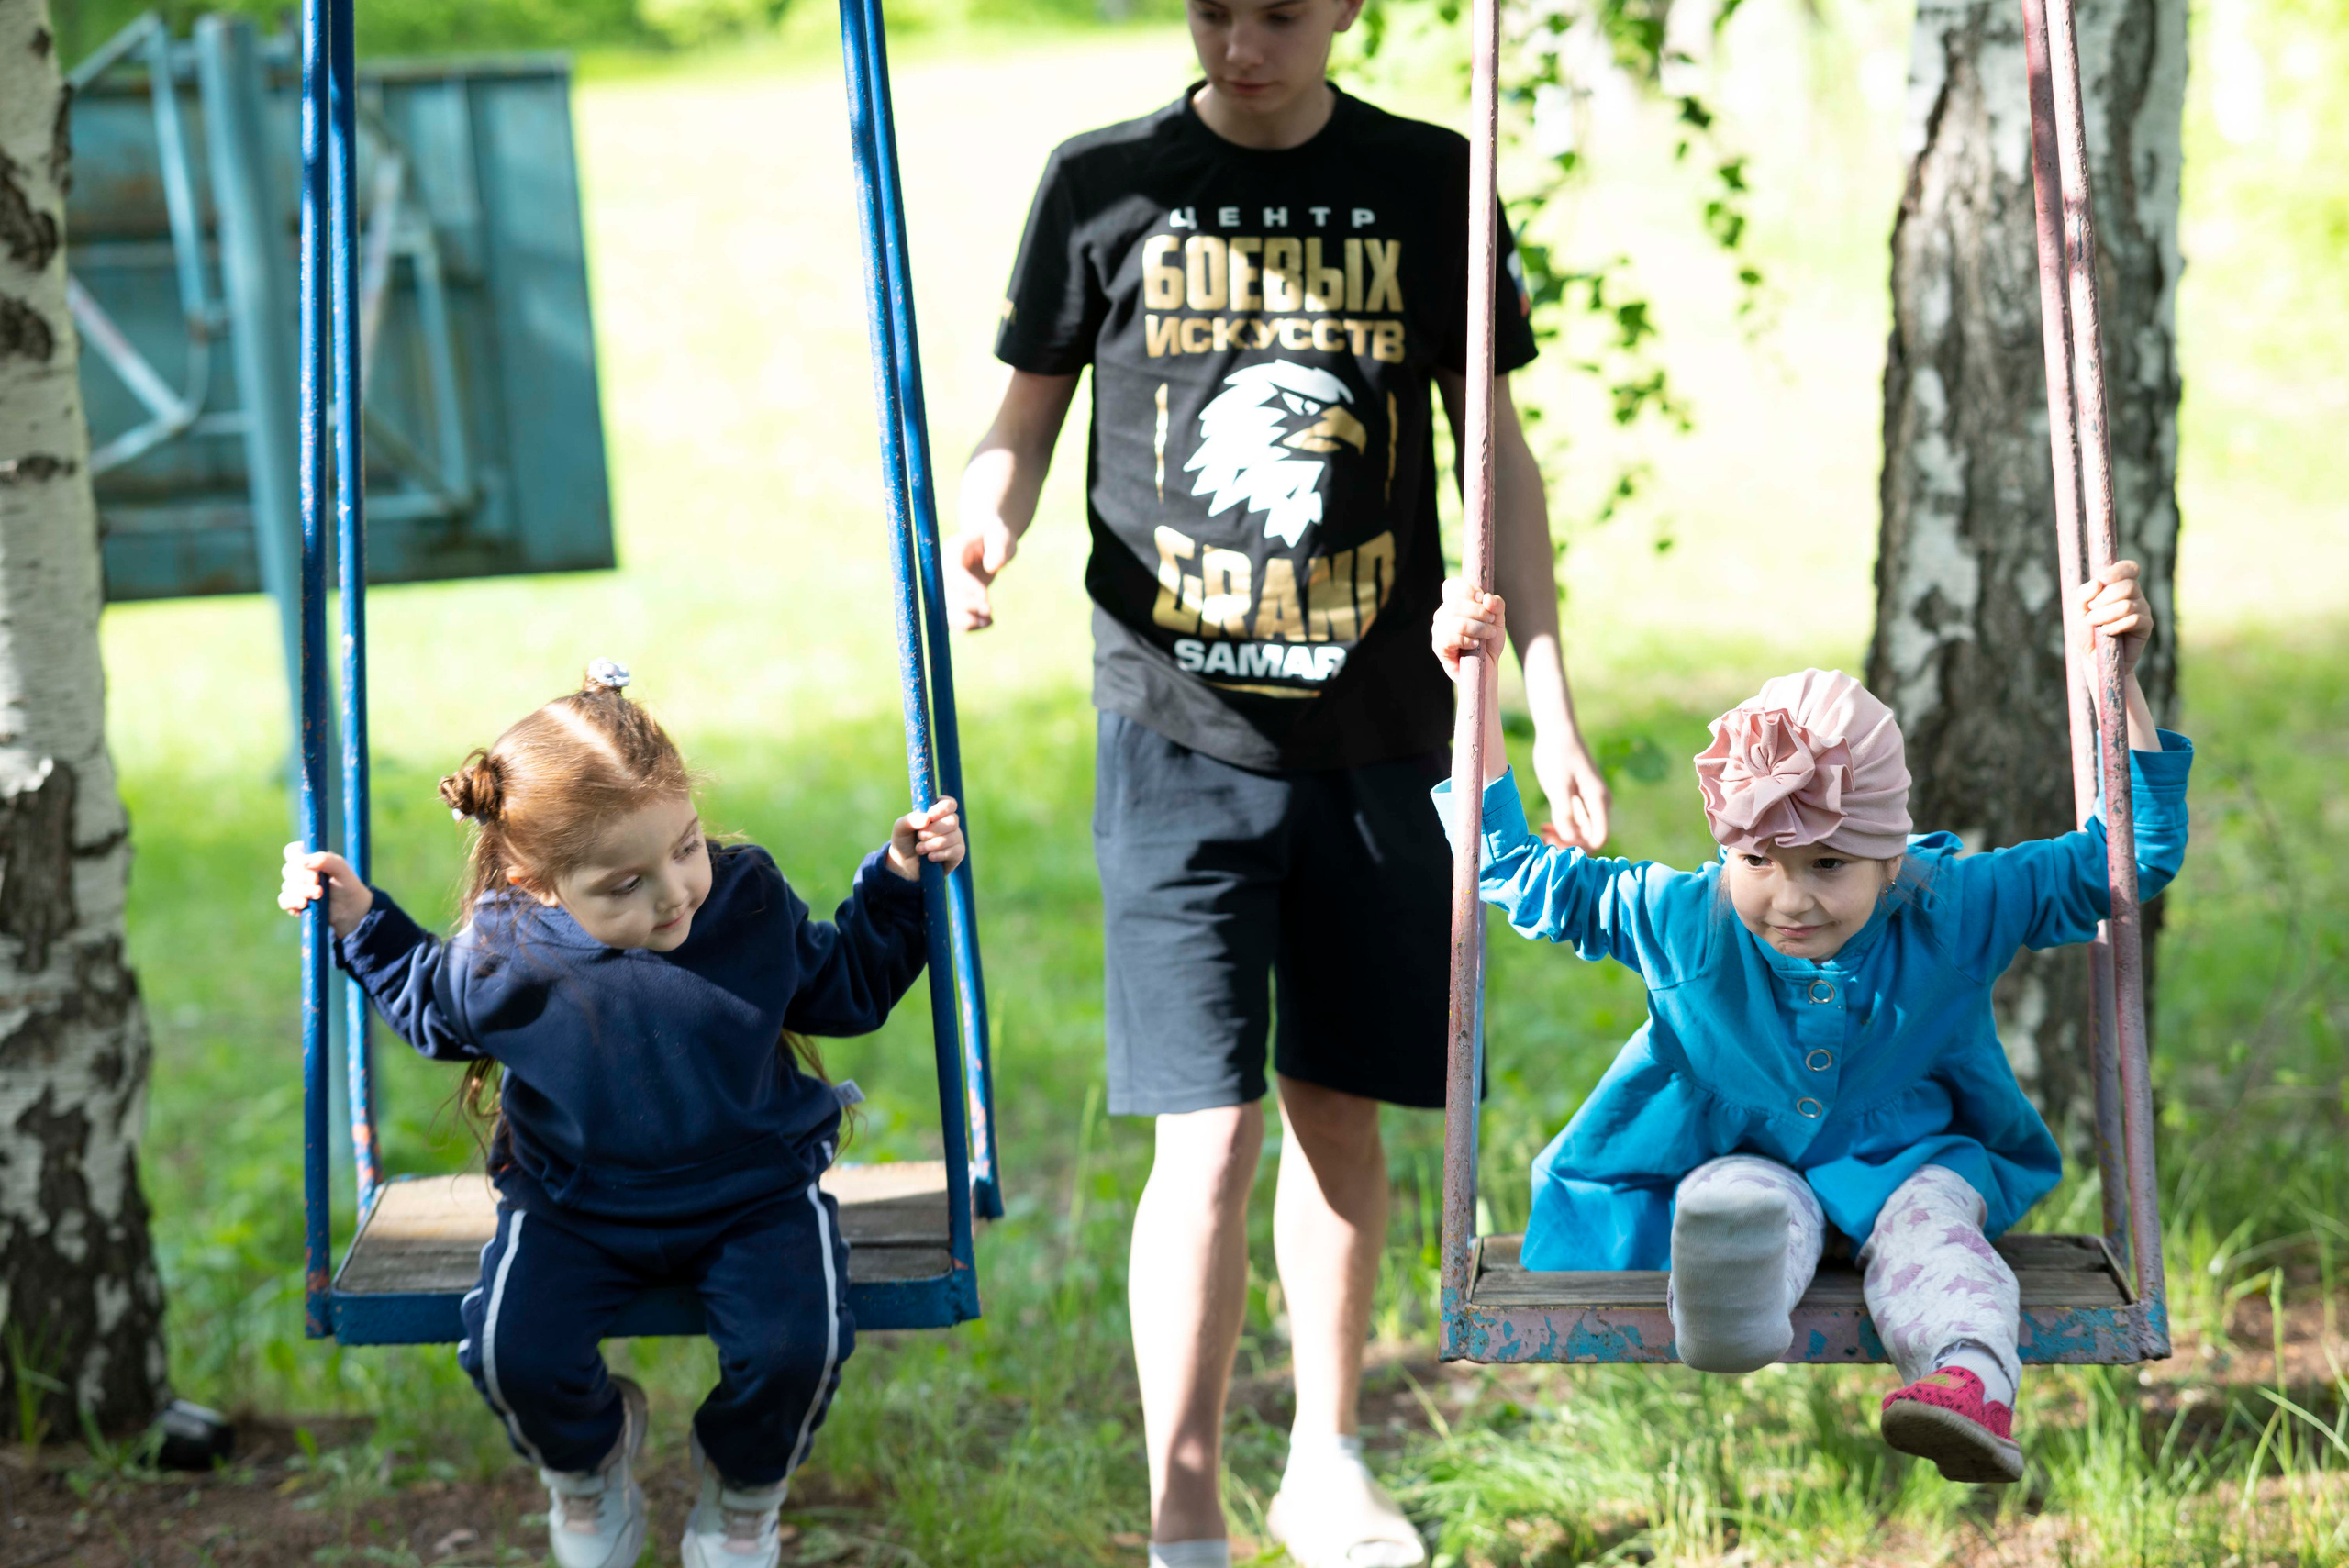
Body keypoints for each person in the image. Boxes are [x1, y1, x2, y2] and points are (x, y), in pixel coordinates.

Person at [953, 0, 1609, 1561]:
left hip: (1382, 729)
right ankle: (1182, 1510)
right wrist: (983, 521)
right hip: (1174, 732)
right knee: (1206, 1133)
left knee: (1339, 1113)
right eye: (1214, 8)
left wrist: (1550, 701)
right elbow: (1020, 423)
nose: (1243, 42)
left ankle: (1327, 1456)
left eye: (1281, 12)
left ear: (1349, 10)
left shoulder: (1431, 180)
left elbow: (1495, 456)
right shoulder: (1103, 182)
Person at [1430, 561, 2189, 1484]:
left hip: (1910, 1163)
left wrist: (2117, 678)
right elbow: (1507, 867)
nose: (1790, 899)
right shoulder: (1683, 918)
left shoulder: (1950, 907)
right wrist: (1473, 688)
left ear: (1889, 855)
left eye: (1829, 864)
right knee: (1734, 1202)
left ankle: (1969, 1383)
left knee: (1936, 1231)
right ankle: (1728, 1313)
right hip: (1746, 1164)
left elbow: (2125, 860)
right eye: (1757, 859)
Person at [274, 662, 964, 1568]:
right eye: (624, 882)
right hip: (575, 1204)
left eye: (687, 846)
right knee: (514, 1351)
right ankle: (589, 1461)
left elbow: (845, 984)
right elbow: (434, 1005)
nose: (673, 892)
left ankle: (746, 1489)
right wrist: (357, 916)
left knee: (796, 1345)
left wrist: (902, 878)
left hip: (753, 1195)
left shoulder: (745, 899)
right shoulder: (511, 943)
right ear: (536, 879)